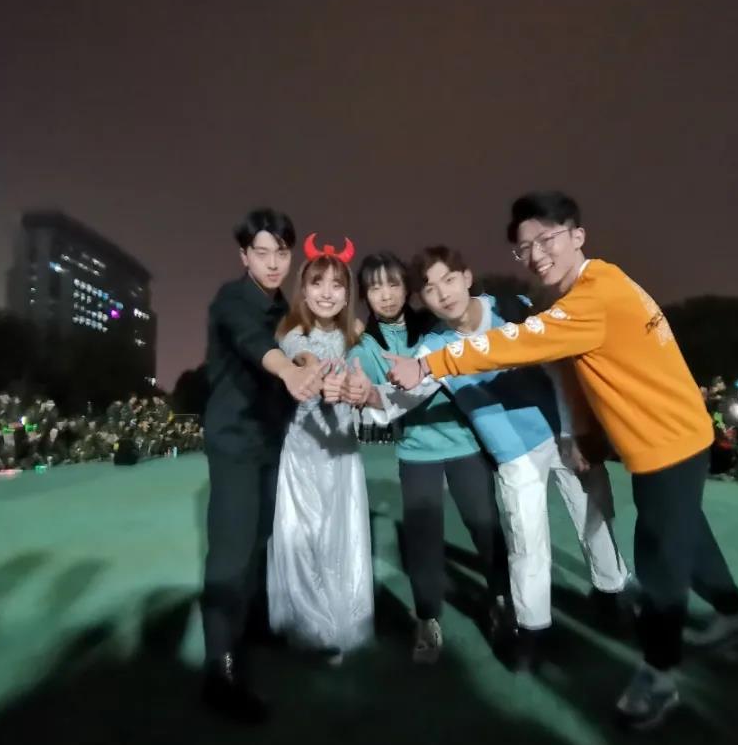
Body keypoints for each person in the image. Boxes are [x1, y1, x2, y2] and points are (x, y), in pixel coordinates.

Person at [388, 192, 738, 730]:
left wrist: (433, 365)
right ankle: (735, 616)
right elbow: (567, 365)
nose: (537, 255)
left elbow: (520, 343)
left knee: (659, 563)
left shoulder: (590, 297)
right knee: (688, 536)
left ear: (576, 235)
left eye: (547, 240)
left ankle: (658, 676)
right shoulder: (600, 282)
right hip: (669, 439)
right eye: (525, 248)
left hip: (667, 445)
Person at [368, 245, 631, 671]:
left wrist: (573, 433)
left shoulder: (513, 309)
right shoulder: (434, 346)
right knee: (526, 541)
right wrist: (361, 395)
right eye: (430, 289)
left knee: (594, 517)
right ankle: (532, 630)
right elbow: (396, 400)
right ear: (424, 299)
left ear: (467, 277)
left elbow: (561, 369)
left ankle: (612, 593)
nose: (443, 293)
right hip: (513, 453)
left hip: (561, 433)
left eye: (449, 279)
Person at [348, 251, 513, 663]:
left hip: (463, 442)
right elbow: (365, 392)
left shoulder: (436, 327)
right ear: (364, 296)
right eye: (375, 288)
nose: (386, 295)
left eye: (394, 284)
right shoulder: (365, 346)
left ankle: (501, 599)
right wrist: (358, 389)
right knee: (422, 539)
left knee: (486, 529)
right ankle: (427, 618)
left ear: (409, 288)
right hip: (416, 451)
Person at [201, 208, 326, 724]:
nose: (273, 263)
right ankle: (220, 669)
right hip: (234, 443)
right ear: (244, 256)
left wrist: (309, 362)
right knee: (230, 555)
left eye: (282, 253)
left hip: (273, 442)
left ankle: (252, 628)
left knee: (259, 543)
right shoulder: (232, 299)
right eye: (262, 253)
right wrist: (289, 370)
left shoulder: (284, 307)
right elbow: (258, 348)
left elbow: (298, 348)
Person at [267, 238, 375, 664]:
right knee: (302, 537)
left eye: (336, 284)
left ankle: (342, 621)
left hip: (343, 452)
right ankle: (309, 626)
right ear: (304, 290)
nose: (327, 293)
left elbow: (372, 371)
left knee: (341, 538)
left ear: (348, 295)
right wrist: (312, 367)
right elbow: (301, 356)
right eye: (317, 283)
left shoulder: (357, 334)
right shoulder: (292, 332)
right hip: (303, 451)